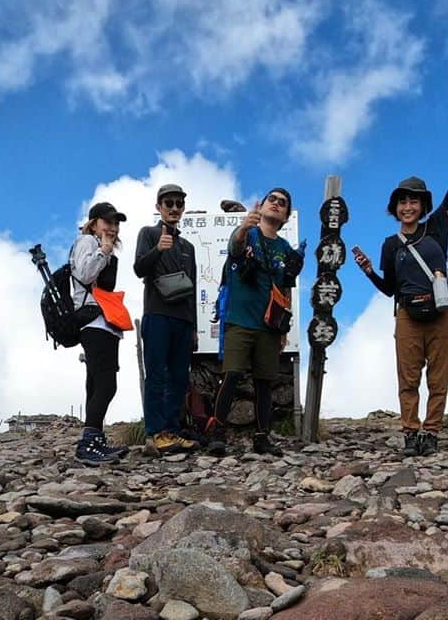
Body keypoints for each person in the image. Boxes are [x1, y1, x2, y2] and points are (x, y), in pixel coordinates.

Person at [353, 124, 448, 457]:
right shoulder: (390, 245)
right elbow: (390, 289)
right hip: (407, 312)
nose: (408, 207)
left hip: (444, 309)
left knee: (439, 375)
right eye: (403, 201)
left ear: (423, 206)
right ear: (395, 208)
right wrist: (368, 273)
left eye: (414, 201)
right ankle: (410, 431)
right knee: (408, 377)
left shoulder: (438, 226)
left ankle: (431, 432)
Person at [204, 188, 304, 457]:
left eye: (282, 203)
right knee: (232, 374)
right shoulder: (247, 234)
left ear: (285, 216)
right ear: (262, 207)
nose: (276, 204)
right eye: (272, 199)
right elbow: (234, 250)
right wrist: (242, 227)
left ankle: (262, 436)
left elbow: (285, 289)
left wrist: (284, 328)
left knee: (264, 381)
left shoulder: (284, 249)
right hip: (239, 319)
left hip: (269, 325)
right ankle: (218, 433)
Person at [134, 183, 199, 453]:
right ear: (158, 207)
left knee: (178, 378)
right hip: (157, 314)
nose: (174, 208)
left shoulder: (188, 247)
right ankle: (155, 433)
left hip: (183, 319)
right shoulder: (148, 234)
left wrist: (194, 327)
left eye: (179, 204)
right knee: (157, 375)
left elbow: (192, 288)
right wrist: (158, 249)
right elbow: (139, 269)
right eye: (168, 203)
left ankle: (172, 431)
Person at [70, 201, 129, 465]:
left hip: (103, 324)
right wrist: (104, 248)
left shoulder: (97, 245)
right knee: (106, 383)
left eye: (116, 223)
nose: (113, 227)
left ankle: (95, 440)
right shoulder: (88, 242)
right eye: (107, 222)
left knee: (96, 383)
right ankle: (89, 443)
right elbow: (84, 272)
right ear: (94, 223)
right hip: (95, 323)